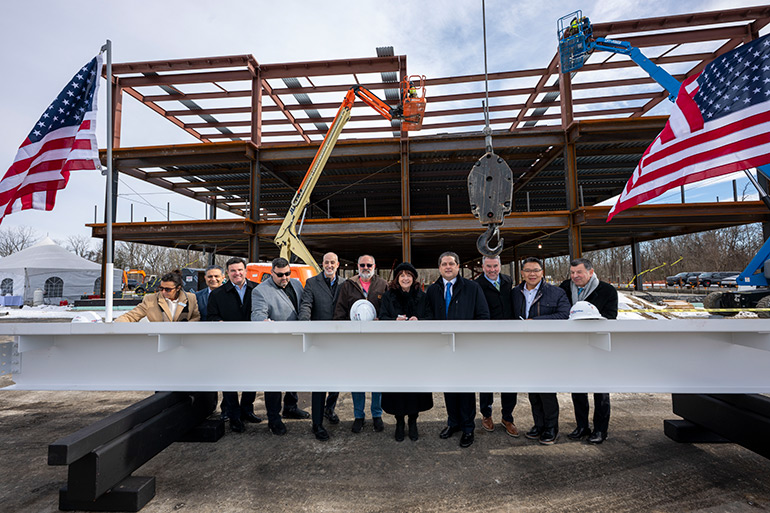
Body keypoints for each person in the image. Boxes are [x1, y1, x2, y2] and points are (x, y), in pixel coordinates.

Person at [426, 251, 490, 448]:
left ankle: (468, 428)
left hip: (465, 348)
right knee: (448, 388)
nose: (447, 267)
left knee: (465, 389)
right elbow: (427, 317)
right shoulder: (432, 290)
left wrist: (472, 340)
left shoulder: (472, 288)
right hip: (442, 348)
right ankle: (453, 423)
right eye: (444, 264)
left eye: (451, 264)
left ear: (458, 266)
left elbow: (483, 316)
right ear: (439, 268)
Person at [559, 257, 618, 445]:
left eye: (579, 273)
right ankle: (582, 426)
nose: (575, 276)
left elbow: (610, 317)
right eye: (572, 273)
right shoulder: (565, 288)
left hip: (597, 344)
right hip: (574, 345)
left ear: (590, 272)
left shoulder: (607, 291)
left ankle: (601, 429)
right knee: (577, 388)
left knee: (600, 390)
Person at [511, 257, 570, 445]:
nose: (532, 274)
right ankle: (539, 425)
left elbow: (564, 315)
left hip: (547, 347)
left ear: (542, 272)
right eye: (528, 270)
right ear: (522, 273)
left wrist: (534, 322)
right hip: (524, 347)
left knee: (546, 389)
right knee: (533, 389)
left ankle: (551, 428)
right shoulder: (515, 293)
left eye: (536, 270)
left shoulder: (556, 293)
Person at [251, 257, 310, 436]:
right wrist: (265, 322)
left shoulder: (297, 284)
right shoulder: (261, 291)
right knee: (274, 381)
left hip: (296, 340)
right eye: (280, 275)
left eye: (287, 273)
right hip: (275, 344)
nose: (284, 277)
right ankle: (274, 419)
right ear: (271, 273)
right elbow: (257, 316)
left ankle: (290, 407)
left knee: (294, 376)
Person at [378, 262, 433, 442]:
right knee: (397, 388)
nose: (405, 278)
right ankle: (399, 421)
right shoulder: (388, 296)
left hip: (416, 350)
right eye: (401, 275)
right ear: (397, 278)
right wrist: (395, 320)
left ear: (413, 278)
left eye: (408, 275)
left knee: (414, 388)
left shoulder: (422, 296)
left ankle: (413, 420)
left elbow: (430, 317)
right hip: (395, 350)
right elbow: (382, 317)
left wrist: (419, 320)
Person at [333, 254, 388, 433]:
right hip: (355, 340)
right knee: (357, 378)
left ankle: (377, 415)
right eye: (362, 264)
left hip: (377, 340)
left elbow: (388, 309)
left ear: (374, 265)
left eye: (369, 264)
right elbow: (340, 310)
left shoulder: (383, 285)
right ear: (358, 266)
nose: (365, 267)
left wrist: (383, 320)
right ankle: (358, 416)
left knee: (377, 378)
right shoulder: (348, 285)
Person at [207, 257, 261, 433]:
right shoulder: (217, 294)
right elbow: (212, 317)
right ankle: (234, 416)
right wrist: (221, 323)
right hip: (228, 344)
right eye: (233, 271)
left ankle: (247, 409)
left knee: (252, 378)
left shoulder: (258, 289)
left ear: (245, 271)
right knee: (229, 381)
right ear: (227, 273)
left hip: (253, 342)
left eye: (240, 270)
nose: (237, 273)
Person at [298, 252, 344, 441]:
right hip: (319, 339)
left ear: (337, 264)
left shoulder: (345, 283)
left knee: (336, 379)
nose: (329, 265)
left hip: (340, 338)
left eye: (332, 262)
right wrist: (304, 325)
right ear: (322, 264)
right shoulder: (312, 283)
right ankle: (317, 424)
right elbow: (306, 304)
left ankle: (329, 409)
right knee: (319, 383)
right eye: (326, 262)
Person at [474, 255, 519, 437]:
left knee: (510, 377)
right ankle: (486, 414)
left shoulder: (508, 281)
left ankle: (507, 417)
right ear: (482, 267)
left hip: (509, 338)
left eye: (495, 266)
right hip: (487, 338)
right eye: (488, 266)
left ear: (500, 266)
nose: (492, 270)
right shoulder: (477, 285)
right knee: (486, 377)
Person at [194, 265, 234, 421]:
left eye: (217, 276)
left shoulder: (229, 295)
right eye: (210, 276)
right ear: (205, 278)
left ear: (223, 277)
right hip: (205, 343)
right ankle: (207, 407)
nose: (213, 279)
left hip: (225, 342)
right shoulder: (197, 297)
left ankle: (226, 409)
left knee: (226, 377)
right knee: (207, 376)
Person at [116, 271, 200, 323]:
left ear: (178, 288)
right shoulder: (150, 299)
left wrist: (185, 327)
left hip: (184, 339)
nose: (163, 292)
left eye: (167, 289)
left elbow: (196, 317)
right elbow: (131, 316)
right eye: (161, 288)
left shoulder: (191, 298)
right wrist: (115, 325)